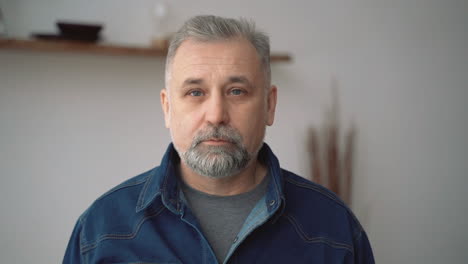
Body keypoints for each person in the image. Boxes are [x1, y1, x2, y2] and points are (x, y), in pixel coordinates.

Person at [63, 15, 374, 264]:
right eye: (195, 92)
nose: (216, 115)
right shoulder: (101, 230)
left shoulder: (334, 229)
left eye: (236, 91)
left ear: (269, 105)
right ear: (167, 108)